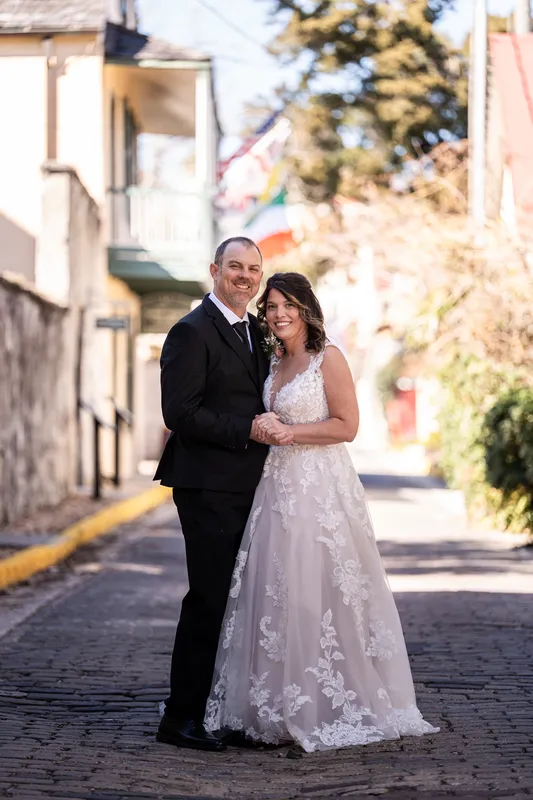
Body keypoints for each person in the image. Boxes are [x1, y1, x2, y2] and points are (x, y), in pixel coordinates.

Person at [204, 272, 439, 753]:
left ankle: (324, 704)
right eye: (270, 307)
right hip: (276, 487)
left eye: (287, 305)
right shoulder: (273, 361)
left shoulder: (327, 358)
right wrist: (268, 428)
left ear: (306, 308)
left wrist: (290, 432)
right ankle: (275, 705)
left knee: (320, 590)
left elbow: (347, 426)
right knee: (275, 591)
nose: (278, 314)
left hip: (320, 487)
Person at [154, 238, 291, 752]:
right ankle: (181, 717)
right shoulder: (190, 331)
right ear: (214, 269)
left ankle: (227, 711)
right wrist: (248, 430)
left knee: (244, 604)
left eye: (253, 269)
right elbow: (180, 413)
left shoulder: (257, 329)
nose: (245, 276)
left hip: (253, 487)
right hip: (208, 485)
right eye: (235, 266)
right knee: (209, 600)